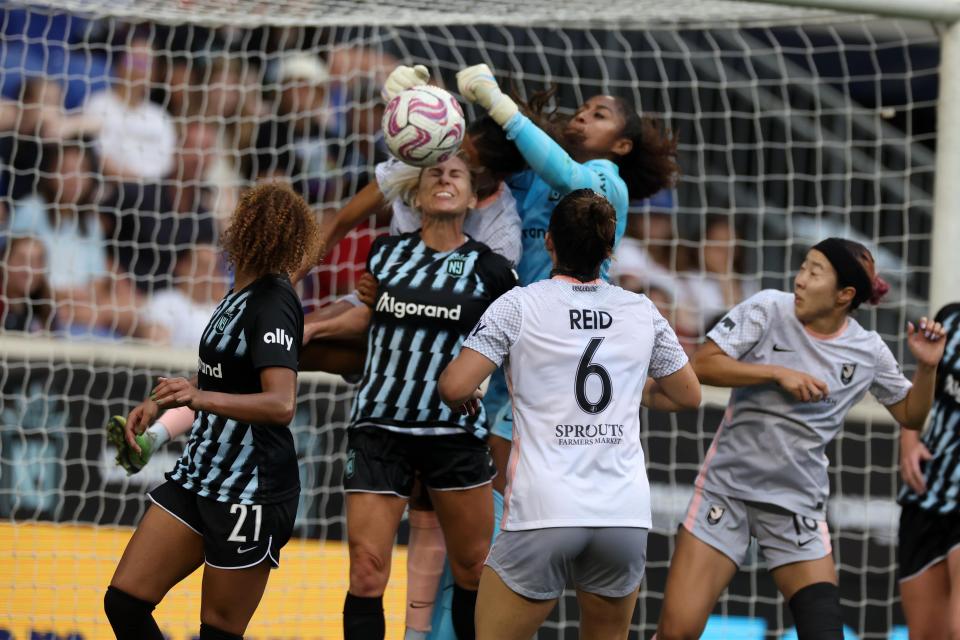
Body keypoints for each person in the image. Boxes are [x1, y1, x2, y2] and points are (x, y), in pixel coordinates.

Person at [437, 189, 700, 639]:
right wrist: (633, 392)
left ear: (549, 243)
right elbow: (688, 395)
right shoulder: (641, 309)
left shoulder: (519, 304)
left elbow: (455, 386)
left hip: (545, 510)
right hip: (622, 515)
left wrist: (464, 395)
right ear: (609, 250)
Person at [655, 237, 947, 640]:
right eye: (803, 266)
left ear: (845, 295)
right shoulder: (768, 308)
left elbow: (912, 415)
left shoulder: (867, 351)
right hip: (726, 495)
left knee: (824, 633)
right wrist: (775, 372)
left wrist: (928, 368)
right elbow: (702, 364)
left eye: (815, 272)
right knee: (676, 634)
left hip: (795, 506)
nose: (801, 280)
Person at [306, 152, 517, 640]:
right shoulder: (385, 252)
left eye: (456, 174)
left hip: (455, 432)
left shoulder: (493, 271)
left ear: (471, 196)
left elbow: (508, 344)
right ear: (417, 195)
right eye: (434, 174)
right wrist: (313, 329)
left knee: (471, 570)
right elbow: (370, 316)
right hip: (380, 425)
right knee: (366, 569)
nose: (445, 178)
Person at [102, 182, 321, 640]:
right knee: (123, 601)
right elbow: (218, 379)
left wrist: (197, 399)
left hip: (251, 491)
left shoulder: (273, 300)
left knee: (218, 632)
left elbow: (280, 403)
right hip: (200, 474)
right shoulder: (235, 295)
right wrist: (160, 411)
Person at [897, 301, 960, 640]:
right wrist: (909, 439)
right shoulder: (951, 319)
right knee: (925, 635)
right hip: (927, 489)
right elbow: (925, 383)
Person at [0, 235, 55, 332]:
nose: (29, 269)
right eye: (21, 259)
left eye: (37, 261)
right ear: (5, 262)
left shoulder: (45, 306)